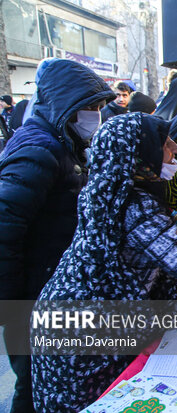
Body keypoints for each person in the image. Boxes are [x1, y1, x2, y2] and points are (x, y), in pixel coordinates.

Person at [30, 112, 177, 412]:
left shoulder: (109, 191)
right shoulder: (133, 204)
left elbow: (158, 263)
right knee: (94, 400)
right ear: (141, 154)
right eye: (167, 145)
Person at [0, 59, 115, 413]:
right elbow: (5, 227)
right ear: (64, 105)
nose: (96, 115)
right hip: (32, 294)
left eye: (99, 107)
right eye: (90, 108)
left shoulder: (63, 143)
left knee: (46, 381)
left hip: (49, 287)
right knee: (34, 384)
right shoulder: (40, 148)